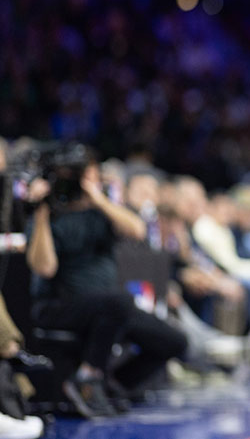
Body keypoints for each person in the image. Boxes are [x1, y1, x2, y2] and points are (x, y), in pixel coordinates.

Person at [23, 146, 188, 418]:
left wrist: (97, 199)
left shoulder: (101, 210)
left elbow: (137, 230)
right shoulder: (45, 216)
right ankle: (87, 377)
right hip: (59, 304)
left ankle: (112, 385)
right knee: (119, 301)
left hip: (109, 305)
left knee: (174, 341)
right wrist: (41, 213)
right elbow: (45, 268)